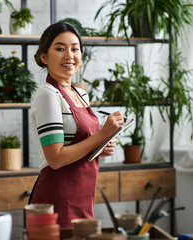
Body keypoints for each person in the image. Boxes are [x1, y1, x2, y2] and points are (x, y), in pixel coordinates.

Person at [29, 22, 126, 228]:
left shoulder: (81, 94)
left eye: (75, 49)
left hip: (83, 196)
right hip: (58, 198)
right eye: (60, 48)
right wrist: (101, 135)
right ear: (44, 57)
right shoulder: (48, 94)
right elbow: (55, 158)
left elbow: (83, 144)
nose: (69, 56)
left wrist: (102, 146)